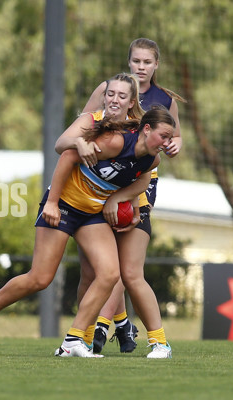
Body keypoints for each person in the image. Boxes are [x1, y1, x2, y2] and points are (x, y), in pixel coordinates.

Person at [0, 107, 175, 358]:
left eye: (170, 138)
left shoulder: (152, 159)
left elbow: (142, 181)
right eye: (164, 136)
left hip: (92, 213)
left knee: (109, 274)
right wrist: (51, 203)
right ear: (146, 129)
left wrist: (117, 198)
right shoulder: (116, 142)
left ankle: (72, 341)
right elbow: (68, 157)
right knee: (40, 278)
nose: (167, 143)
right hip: (63, 205)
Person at [79, 38, 185, 355]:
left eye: (147, 62)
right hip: (103, 183)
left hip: (139, 184)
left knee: (126, 268)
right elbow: (82, 123)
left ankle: (103, 328)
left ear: (156, 65)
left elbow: (173, 139)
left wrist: (176, 144)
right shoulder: (112, 90)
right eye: (136, 61)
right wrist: (82, 142)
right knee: (101, 267)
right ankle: (120, 324)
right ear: (128, 62)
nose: (141, 66)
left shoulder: (164, 100)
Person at [55, 72, 145, 353]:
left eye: (121, 95)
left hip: (105, 208)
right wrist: (77, 142)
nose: (114, 98)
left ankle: (88, 334)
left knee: (113, 272)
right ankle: (118, 324)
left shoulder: (138, 132)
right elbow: (62, 147)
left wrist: (135, 205)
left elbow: (142, 172)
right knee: (44, 277)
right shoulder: (91, 122)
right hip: (72, 204)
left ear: (132, 101)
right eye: (110, 93)